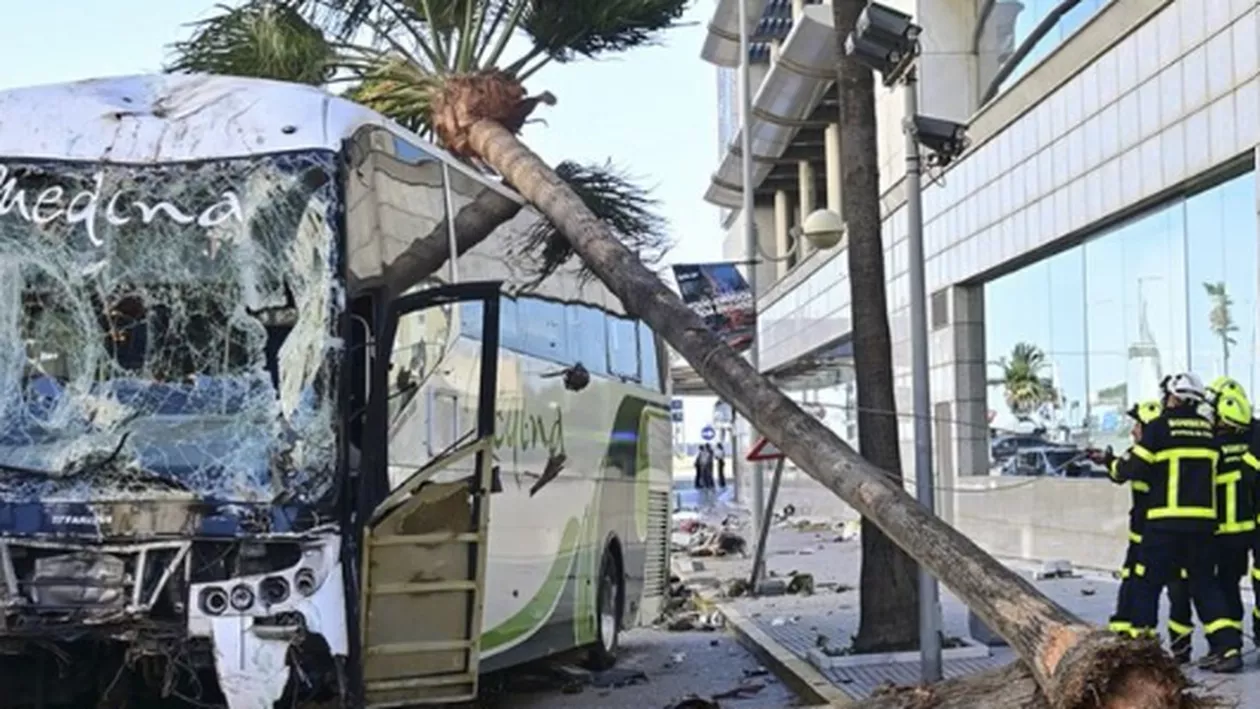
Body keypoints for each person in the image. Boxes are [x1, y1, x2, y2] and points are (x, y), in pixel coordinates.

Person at [1104, 372, 1242, 673]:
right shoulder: (1209, 432)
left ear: (1174, 397)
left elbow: (1131, 467)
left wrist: (1109, 464)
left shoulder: (1159, 428)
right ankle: (1228, 648)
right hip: (1203, 527)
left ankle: (1143, 650)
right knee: (1205, 585)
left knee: (1146, 583)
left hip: (1164, 525)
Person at [1166, 386, 1254, 664]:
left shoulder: (1212, 449)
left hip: (1215, 533)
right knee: (1231, 587)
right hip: (1244, 533)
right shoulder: (1248, 449)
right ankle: (1233, 643)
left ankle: (1224, 647)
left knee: (1207, 588)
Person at [1104, 400, 1160, 638]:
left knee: (1143, 579)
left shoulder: (1144, 453)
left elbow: (1121, 471)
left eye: (1137, 424)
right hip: (1146, 530)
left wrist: (1109, 462)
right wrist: (1108, 461)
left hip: (1149, 531)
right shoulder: (1154, 453)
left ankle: (1139, 631)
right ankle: (1125, 624)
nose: (1133, 430)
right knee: (1133, 576)